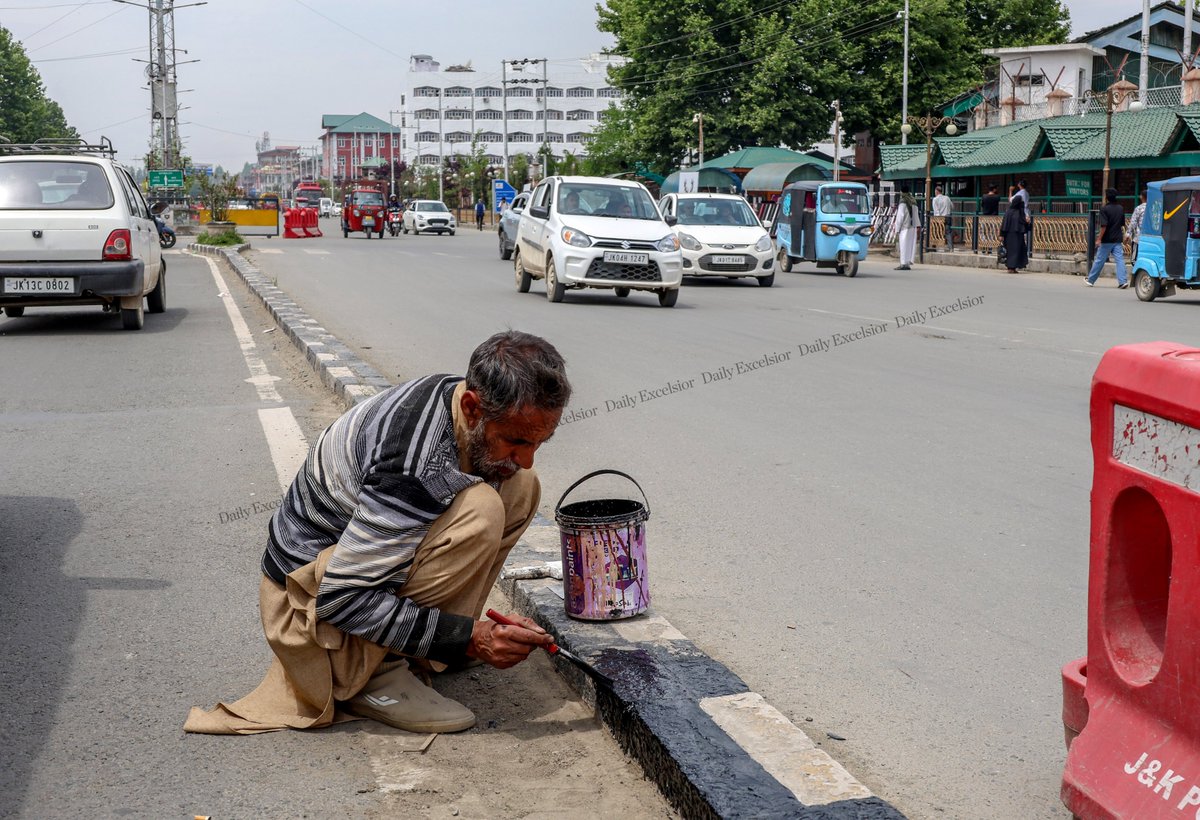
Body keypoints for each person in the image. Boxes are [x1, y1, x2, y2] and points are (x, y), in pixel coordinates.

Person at [185, 331, 571, 736]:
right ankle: (372, 673)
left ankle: (428, 645)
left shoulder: (457, 399)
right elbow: (341, 599)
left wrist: (464, 632)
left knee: (520, 486)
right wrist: (470, 638)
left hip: (354, 570)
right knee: (481, 510)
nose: (528, 457)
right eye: (515, 440)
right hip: (307, 603)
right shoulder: (412, 462)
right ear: (472, 408)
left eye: (539, 442)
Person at [1086, 188, 1129, 288]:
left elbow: (1104, 226)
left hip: (1107, 239)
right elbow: (1122, 224)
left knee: (1100, 260)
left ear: (1107, 197)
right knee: (1120, 260)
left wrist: (1099, 238)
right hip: (1117, 238)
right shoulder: (1120, 208)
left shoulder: (1104, 209)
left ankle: (1091, 280)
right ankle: (1123, 281)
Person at [891, 184, 920, 270]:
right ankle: (907, 263)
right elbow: (916, 214)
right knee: (910, 246)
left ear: (902, 192)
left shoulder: (903, 201)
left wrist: (897, 228)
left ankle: (903, 263)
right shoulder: (913, 200)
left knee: (903, 245)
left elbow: (900, 216)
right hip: (913, 226)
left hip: (905, 227)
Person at [1000, 195, 1029, 273]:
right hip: (1016, 235)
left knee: (1014, 251)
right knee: (1014, 251)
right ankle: (1011, 267)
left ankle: (1012, 267)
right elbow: (1023, 223)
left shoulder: (1009, 212)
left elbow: (1004, 224)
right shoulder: (1018, 212)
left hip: (1012, 235)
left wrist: (1002, 234)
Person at [932, 185, 954, 251]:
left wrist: (937, 219)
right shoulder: (947, 198)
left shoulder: (935, 199)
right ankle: (951, 247)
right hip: (948, 216)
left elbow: (936, 211)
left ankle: (935, 246)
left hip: (940, 217)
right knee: (948, 232)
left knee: (937, 231)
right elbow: (952, 206)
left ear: (937, 191)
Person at [1129, 190, 1147, 261]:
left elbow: (1133, 223)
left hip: (1139, 238)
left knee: (1135, 259)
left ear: (1141, 197)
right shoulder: (1154, 208)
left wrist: (1128, 234)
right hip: (1151, 238)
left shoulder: (1139, 208)